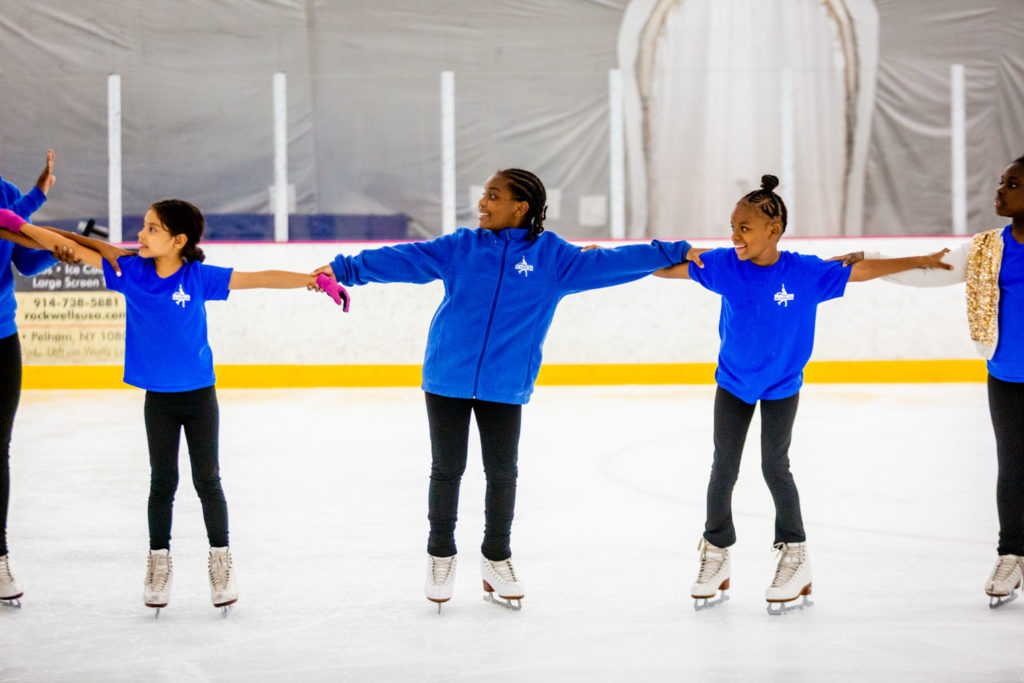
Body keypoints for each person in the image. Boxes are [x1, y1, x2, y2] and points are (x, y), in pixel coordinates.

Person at [314, 168, 697, 611]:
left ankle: (497, 557)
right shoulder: (462, 247)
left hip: (505, 383)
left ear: (521, 207)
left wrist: (679, 251)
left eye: (493, 196)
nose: (482, 203)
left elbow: (614, 262)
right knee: (447, 469)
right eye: (483, 195)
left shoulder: (553, 259)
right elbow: (406, 257)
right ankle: (440, 555)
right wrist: (344, 269)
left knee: (502, 474)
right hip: (447, 377)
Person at [0, 199, 346, 615]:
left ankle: (221, 563)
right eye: (143, 227)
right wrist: (17, 224)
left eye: (151, 229)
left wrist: (311, 280)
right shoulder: (130, 272)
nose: (141, 235)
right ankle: (158, 563)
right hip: (158, 400)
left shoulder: (198, 277)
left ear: (178, 240)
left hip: (200, 396)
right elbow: (63, 242)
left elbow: (259, 278)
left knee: (208, 481)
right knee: (162, 483)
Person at [654, 174, 951, 615]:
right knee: (724, 466)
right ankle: (716, 553)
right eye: (732, 226)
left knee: (775, 465)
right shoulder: (722, 266)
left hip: (781, 386)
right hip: (733, 383)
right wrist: (651, 253)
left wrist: (918, 259)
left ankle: (795, 554)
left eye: (744, 228)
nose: (735, 235)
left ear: (773, 231)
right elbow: (667, 269)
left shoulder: (805, 272)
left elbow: (862, 271)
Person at [835, 154, 1024, 608]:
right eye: (1000, 181)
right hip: (1007, 377)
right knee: (1013, 469)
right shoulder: (986, 248)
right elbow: (929, 269)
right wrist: (871, 260)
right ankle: (1012, 553)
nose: (999, 190)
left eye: (1012, 184)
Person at [0, 150, 59, 607]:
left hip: (2, 339)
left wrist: (53, 252)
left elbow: (23, 261)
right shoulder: (18, 200)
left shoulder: (7, 192)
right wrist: (37, 198)